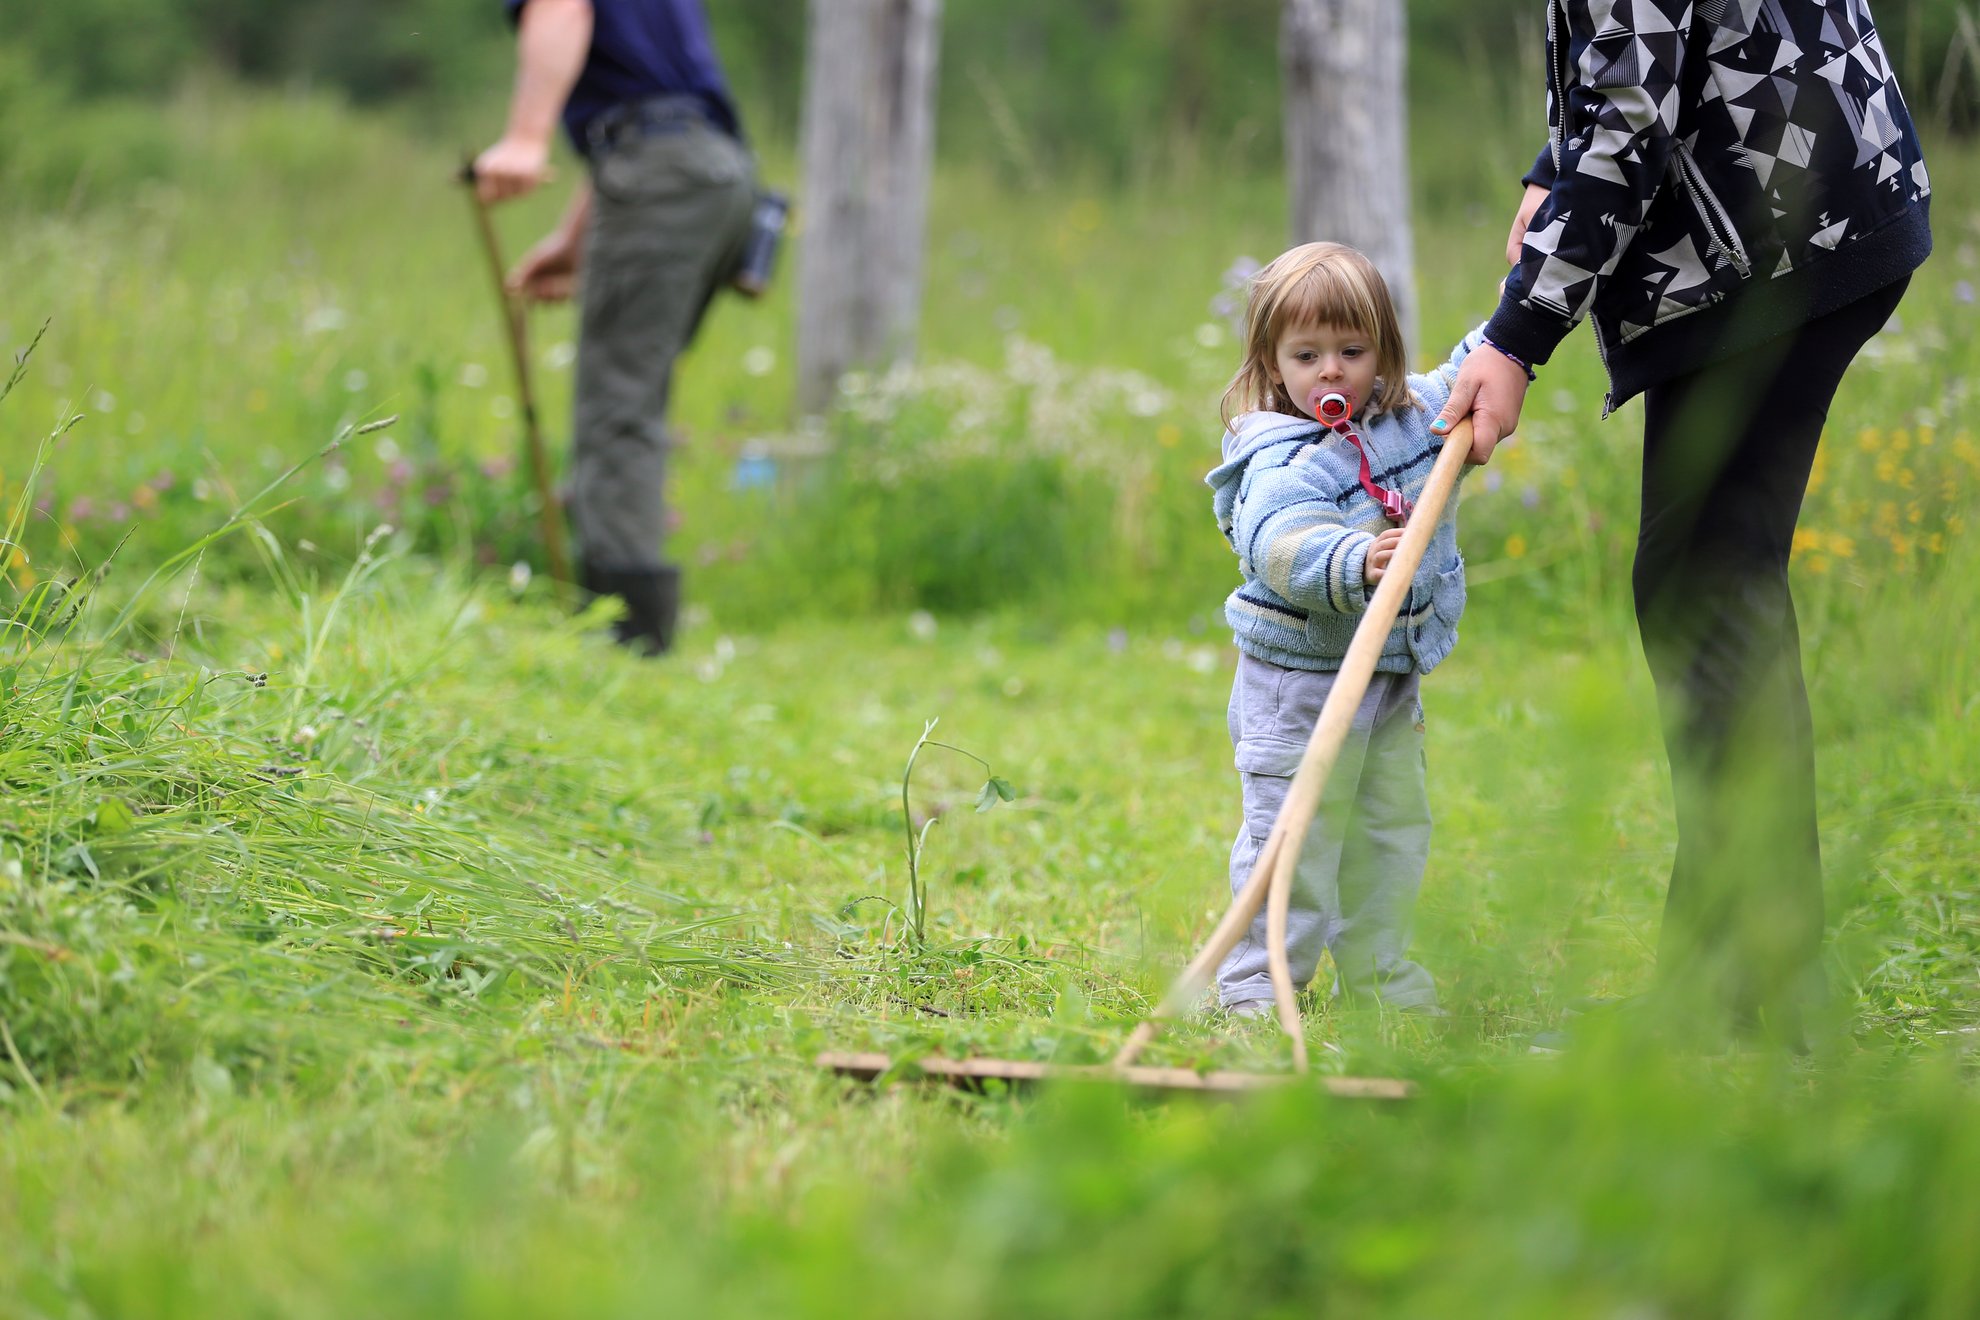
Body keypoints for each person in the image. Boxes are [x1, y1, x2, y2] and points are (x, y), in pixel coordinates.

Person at [1430, 0, 1932, 1043]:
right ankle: (1742, 975)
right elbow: (1645, 49)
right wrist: (1548, 162)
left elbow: (1630, 119)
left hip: (1782, 234)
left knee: (1707, 584)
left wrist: (1517, 338)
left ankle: (1759, 982)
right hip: (1810, 206)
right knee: (1712, 580)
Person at [1210, 242, 1486, 1017]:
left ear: (1384, 352)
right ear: (1272, 365)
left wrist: (1519, 310)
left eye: (1351, 351)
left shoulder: (1407, 424)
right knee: (1291, 838)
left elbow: (1476, 366)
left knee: (1391, 830)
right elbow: (1279, 539)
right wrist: (1353, 558)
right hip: (1298, 683)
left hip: (1386, 680)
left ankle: (1380, 971)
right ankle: (1259, 983)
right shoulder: (1274, 457)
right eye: (1307, 354)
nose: (1331, 370)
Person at [475, 0, 757, 655]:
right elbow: (654, 102)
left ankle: (627, 638)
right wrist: (573, 240)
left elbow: (562, 7)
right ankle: (631, 621)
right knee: (635, 394)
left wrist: (526, 137)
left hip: (663, 171)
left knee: (617, 406)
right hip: (715, 170)